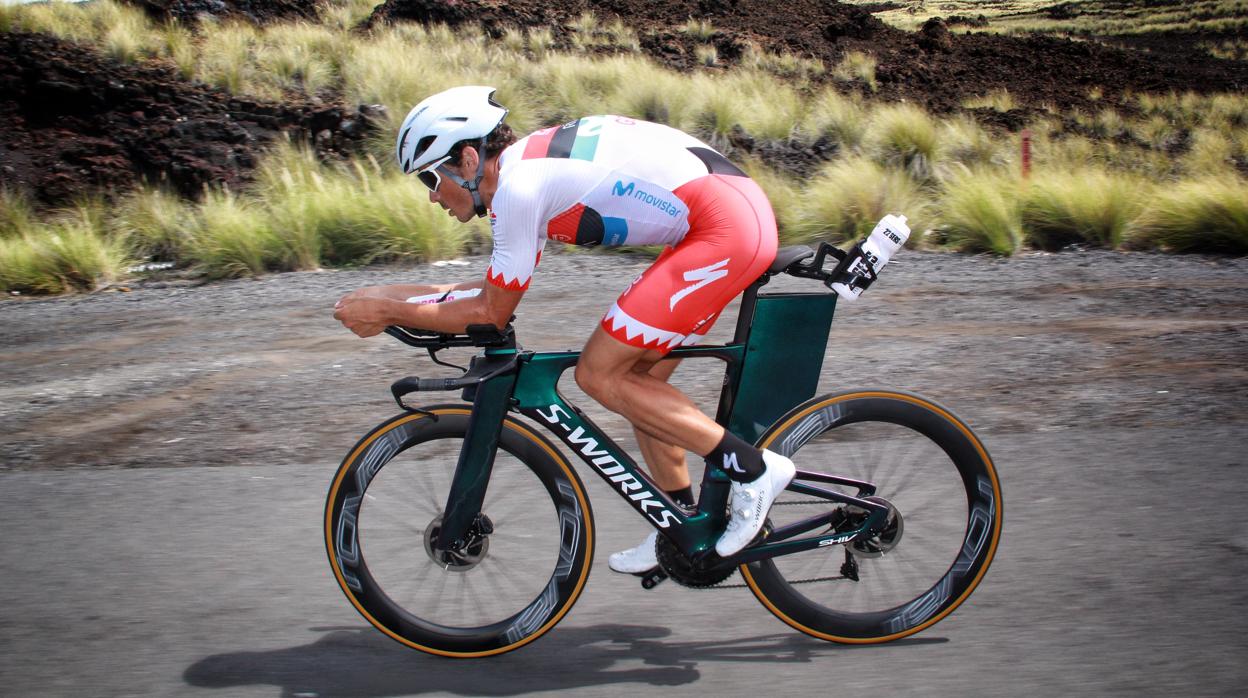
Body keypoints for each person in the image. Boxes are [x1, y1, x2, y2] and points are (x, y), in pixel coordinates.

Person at [333, 85, 796, 571]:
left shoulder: (518, 187)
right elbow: (490, 290)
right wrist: (389, 298)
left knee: (600, 374)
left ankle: (754, 470)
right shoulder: (522, 175)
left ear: (468, 160)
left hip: (725, 230)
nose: (431, 196)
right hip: (724, 221)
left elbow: (491, 313)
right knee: (639, 389)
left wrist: (389, 311)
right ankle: (681, 525)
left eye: (430, 177)